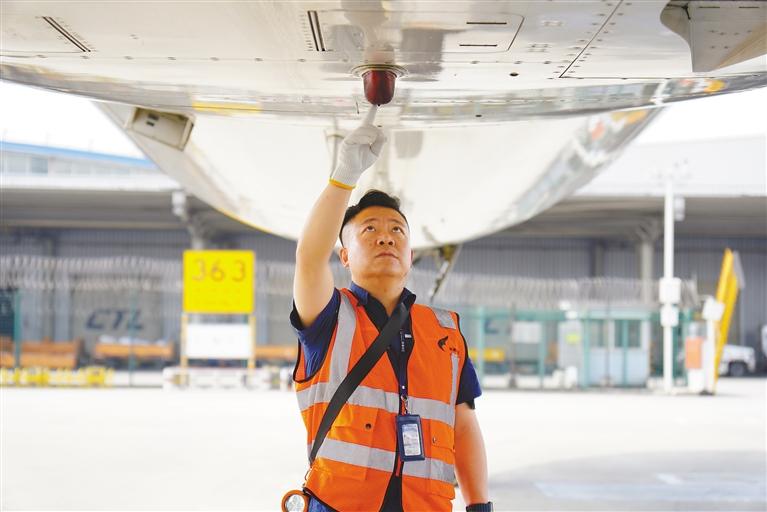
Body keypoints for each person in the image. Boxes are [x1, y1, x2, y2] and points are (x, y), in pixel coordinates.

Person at [291, 105, 491, 512]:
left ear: (410, 254)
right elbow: (309, 260)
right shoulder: (328, 320)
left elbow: (464, 425)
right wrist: (343, 178)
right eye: (370, 230)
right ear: (344, 256)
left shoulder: (445, 331)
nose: (386, 238)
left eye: (397, 230)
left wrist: (479, 505)